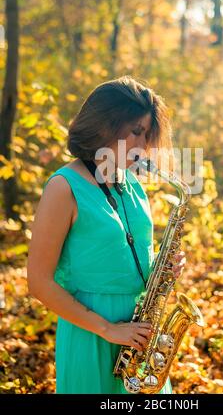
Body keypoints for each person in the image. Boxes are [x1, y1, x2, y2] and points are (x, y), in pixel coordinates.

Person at [27, 75, 186, 394]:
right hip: (91, 336)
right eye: (136, 132)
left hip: (139, 338)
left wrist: (163, 267)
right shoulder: (63, 187)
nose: (144, 147)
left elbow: (123, 257)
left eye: (147, 135)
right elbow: (38, 282)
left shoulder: (133, 186)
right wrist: (108, 330)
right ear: (105, 125)